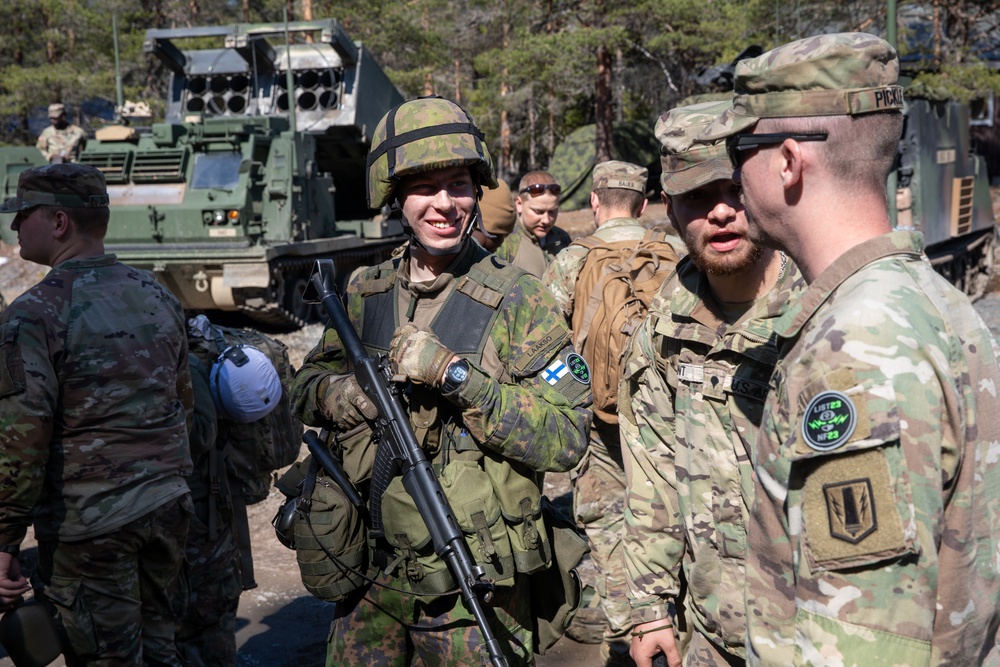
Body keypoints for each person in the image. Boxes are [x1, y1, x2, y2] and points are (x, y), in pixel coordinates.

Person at [700, 32, 1000, 664]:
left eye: (738, 151)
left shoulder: (853, 349)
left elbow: (864, 645)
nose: (731, 179)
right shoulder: (931, 300)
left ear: (786, 160)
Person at [290, 96, 592, 667]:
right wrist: (347, 396)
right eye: (424, 188)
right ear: (395, 196)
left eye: (458, 185)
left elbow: (565, 435)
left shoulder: (517, 297)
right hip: (368, 573)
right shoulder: (366, 291)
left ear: (477, 193)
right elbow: (308, 387)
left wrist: (459, 378)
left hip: (470, 581)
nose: (444, 205)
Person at [619, 100, 805, 667]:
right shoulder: (662, 329)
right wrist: (650, 607)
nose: (721, 213)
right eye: (699, 197)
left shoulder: (825, 313)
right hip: (713, 637)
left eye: (734, 190)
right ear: (672, 212)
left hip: (815, 641)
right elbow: (652, 474)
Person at [0, 163, 193, 666]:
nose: (15, 227)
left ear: (58, 222)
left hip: (89, 527)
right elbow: (183, 403)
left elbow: (21, 440)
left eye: (23, 216)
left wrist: (3, 542)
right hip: (167, 509)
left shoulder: (33, 313)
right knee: (160, 649)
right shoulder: (158, 296)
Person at [542, 160, 676, 666]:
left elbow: (546, 350)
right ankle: (674, 629)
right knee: (672, 522)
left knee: (609, 528)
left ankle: (624, 641)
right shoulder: (678, 254)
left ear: (595, 202)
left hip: (602, 427)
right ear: (644, 205)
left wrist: (576, 393)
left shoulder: (572, 260)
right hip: (671, 426)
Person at [495, 170, 571, 277]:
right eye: (538, 212)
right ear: (519, 204)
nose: (546, 220)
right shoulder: (503, 242)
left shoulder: (562, 238)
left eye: (552, 212)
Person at [471, 176, 517, 252]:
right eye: (503, 235)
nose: (502, 243)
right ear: (495, 235)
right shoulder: (484, 261)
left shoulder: (453, 247)